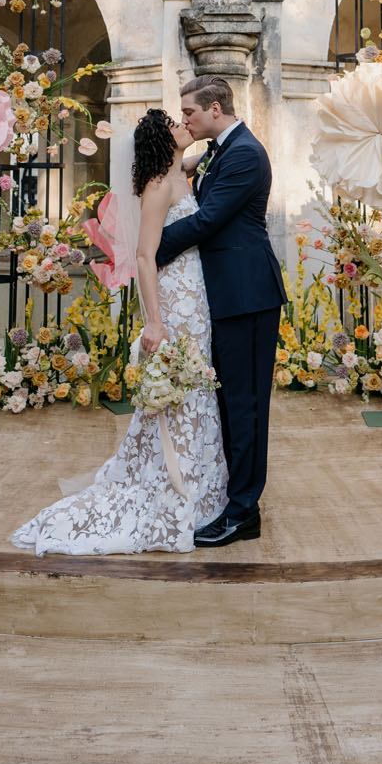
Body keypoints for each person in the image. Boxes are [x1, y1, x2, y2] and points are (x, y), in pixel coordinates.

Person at [10, 109, 227, 556]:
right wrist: (154, 321)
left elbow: (195, 157)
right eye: (175, 125)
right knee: (178, 395)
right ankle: (171, 488)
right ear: (162, 141)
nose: (184, 125)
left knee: (198, 394)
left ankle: (202, 488)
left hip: (197, 302)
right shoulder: (156, 186)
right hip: (172, 304)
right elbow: (146, 257)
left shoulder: (180, 172)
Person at [155, 75, 286, 549]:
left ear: (214, 108)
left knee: (246, 405)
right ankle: (233, 497)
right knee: (231, 402)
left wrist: (149, 248)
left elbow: (208, 221)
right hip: (227, 294)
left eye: (189, 112)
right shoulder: (221, 150)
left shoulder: (246, 154)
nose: (184, 120)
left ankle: (243, 511)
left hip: (248, 294)